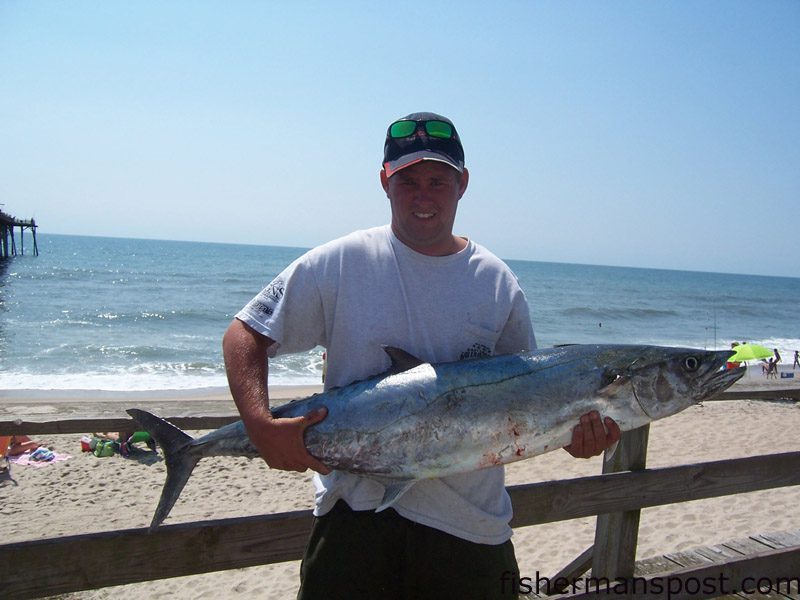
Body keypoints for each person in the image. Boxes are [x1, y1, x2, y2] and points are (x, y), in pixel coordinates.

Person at [223, 112, 620, 599]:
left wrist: (573, 436)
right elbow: (245, 335)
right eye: (408, 180)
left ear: (463, 184)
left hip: (471, 529)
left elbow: (524, 401)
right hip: (354, 522)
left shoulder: (496, 282)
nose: (423, 195)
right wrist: (261, 427)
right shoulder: (340, 262)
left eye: (438, 180)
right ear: (384, 182)